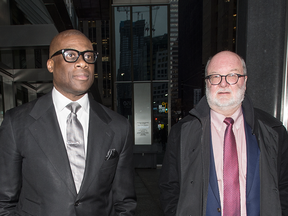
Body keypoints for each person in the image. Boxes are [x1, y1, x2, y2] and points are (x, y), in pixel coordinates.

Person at [0, 29, 137, 215]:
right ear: (50, 64)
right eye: (71, 55)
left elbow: (125, 202)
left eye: (89, 56)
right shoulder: (16, 123)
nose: (83, 63)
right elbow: (4, 202)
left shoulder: (119, 127)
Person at [159, 51, 288, 216]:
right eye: (215, 76)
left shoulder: (273, 131)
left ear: (245, 81)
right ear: (207, 83)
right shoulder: (182, 133)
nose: (223, 84)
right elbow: (169, 188)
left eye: (232, 75)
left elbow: (283, 186)